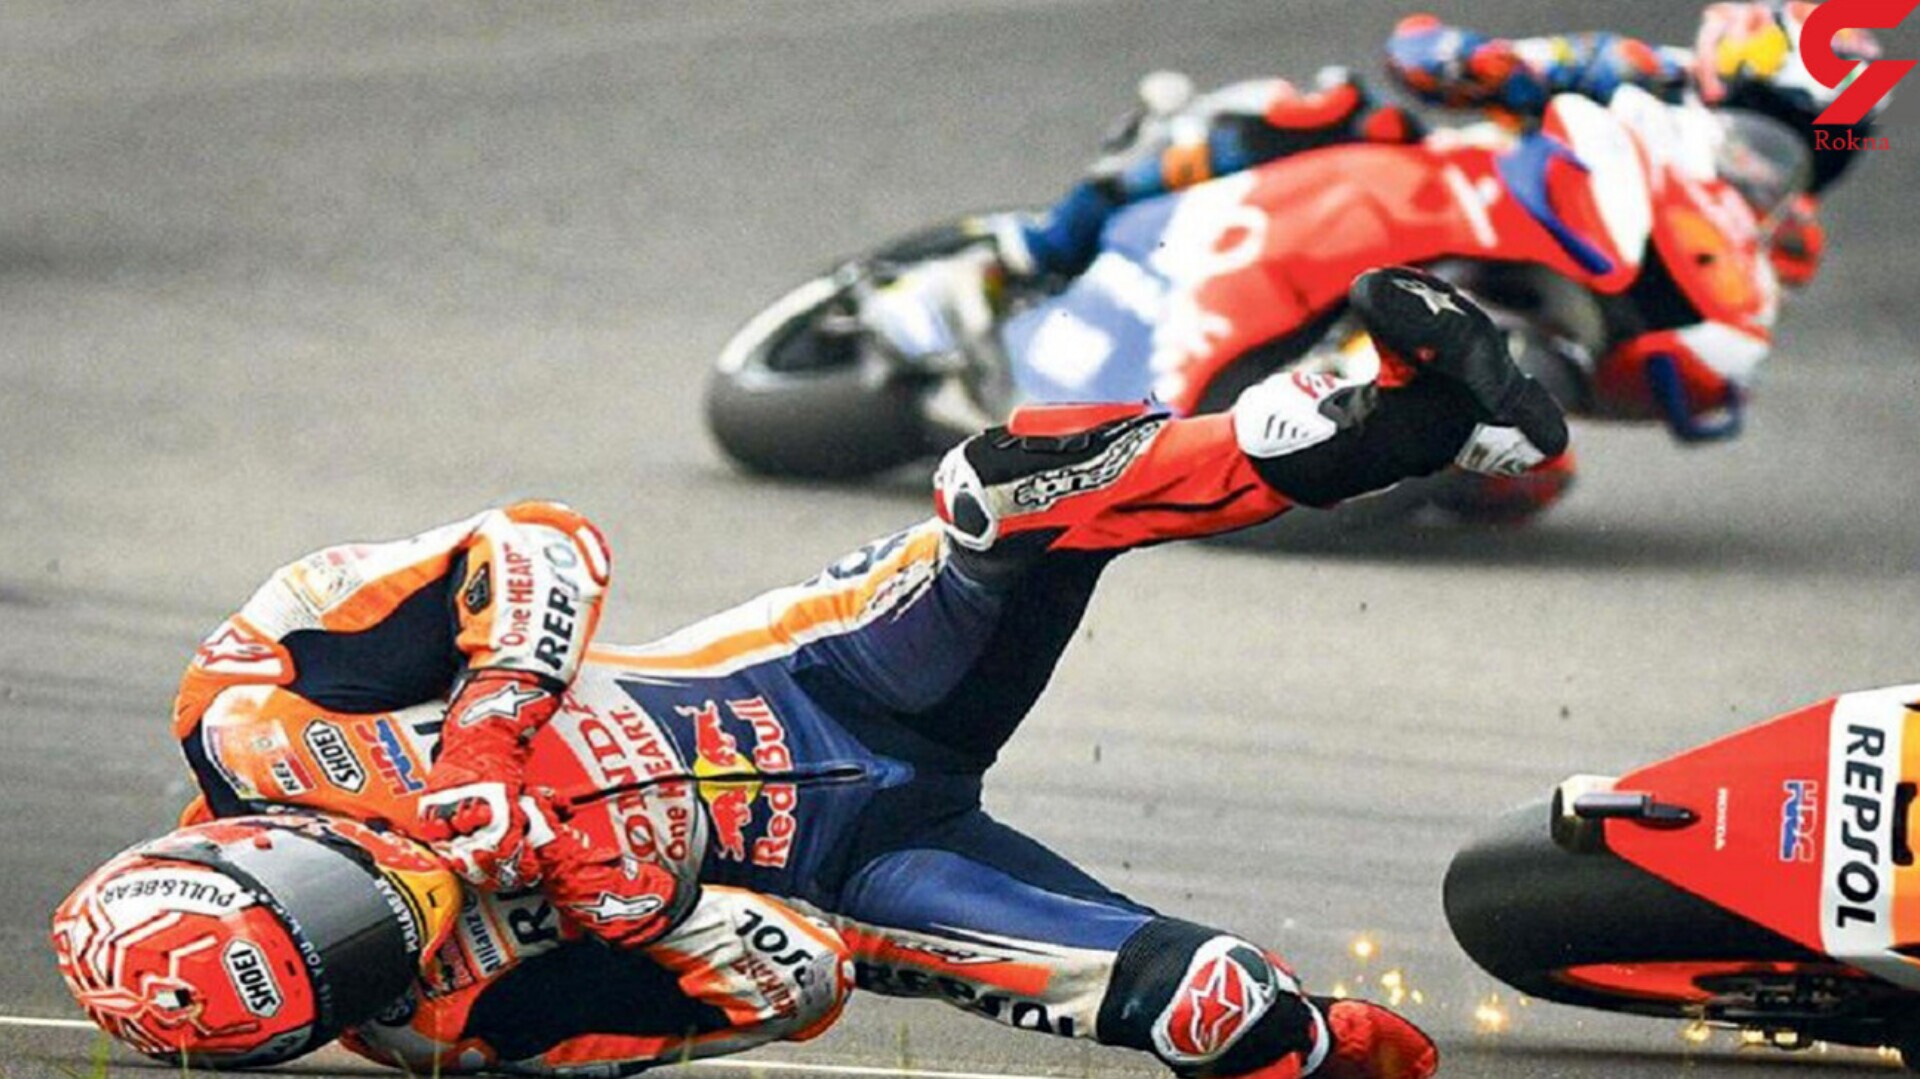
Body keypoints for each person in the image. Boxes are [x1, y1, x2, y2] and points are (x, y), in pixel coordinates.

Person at [52, 268, 1566, 1077]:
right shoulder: (455, 1028)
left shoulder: (256, 701)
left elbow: (537, 537)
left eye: (323, 916)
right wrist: (651, 905)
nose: (384, 934)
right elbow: (793, 988)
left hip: (812, 678)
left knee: (1005, 495)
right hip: (874, 873)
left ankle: (1412, 421)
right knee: (1221, 1013)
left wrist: (494, 729)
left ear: (247, 843)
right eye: (349, 972)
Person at [874, 2, 1886, 520]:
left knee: (1529, 490)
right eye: (1768, 127)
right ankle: (1032, 251)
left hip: (1537, 294)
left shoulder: (1776, 226)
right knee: (1311, 109)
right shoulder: (1631, 71)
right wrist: (1472, 62)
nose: (1772, 158)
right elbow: (1462, 61)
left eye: (1797, 146)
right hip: (1448, 189)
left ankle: (1376, 455)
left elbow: (1714, 378)